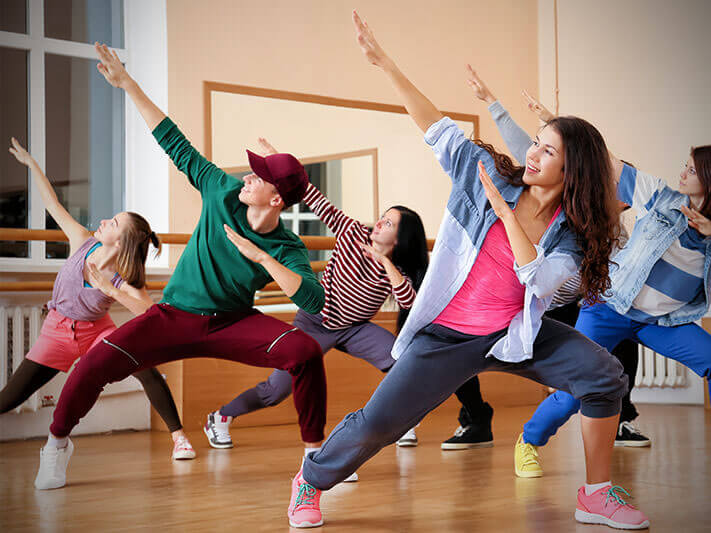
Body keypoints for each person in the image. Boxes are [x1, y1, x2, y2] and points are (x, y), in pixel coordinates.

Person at [285, 12, 649, 530]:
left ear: (573, 171)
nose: (533, 152)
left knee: (604, 377)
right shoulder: (485, 177)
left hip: (515, 333)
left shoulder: (573, 230)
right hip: (447, 336)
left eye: (548, 150)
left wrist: (507, 218)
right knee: (382, 423)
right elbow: (434, 124)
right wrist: (384, 62)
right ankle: (311, 479)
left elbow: (543, 282)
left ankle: (595, 494)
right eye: (537, 142)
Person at [32, 43, 327, 491]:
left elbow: (312, 297)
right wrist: (127, 84)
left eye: (258, 176)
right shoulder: (220, 191)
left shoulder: (285, 245)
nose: (246, 176)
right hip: (174, 317)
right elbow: (175, 142)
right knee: (94, 364)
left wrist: (261, 257)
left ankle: (318, 461)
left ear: (276, 200)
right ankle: (56, 443)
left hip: (232, 323)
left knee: (304, 352)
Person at [441, 71, 646, 458]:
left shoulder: (632, 225)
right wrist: (497, 105)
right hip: (556, 302)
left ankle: (622, 416)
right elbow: (537, 153)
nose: (613, 189)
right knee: (576, 384)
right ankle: (530, 437)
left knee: (615, 363)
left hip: (591, 300)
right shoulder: (576, 216)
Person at [204, 138, 429, 471]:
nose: (378, 222)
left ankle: (402, 419)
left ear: (400, 240)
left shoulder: (395, 268)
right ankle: (220, 416)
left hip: (355, 329)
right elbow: (315, 199)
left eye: (388, 223)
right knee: (275, 389)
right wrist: (278, 163)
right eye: (382, 217)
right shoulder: (353, 231)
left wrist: (384, 263)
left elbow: (409, 300)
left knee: (401, 360)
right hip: (315, 322)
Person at [516, 94, 711, 474]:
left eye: (692, 168)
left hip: (662, 322)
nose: (682, 172)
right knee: (577, 388)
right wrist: (555, 123)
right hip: (608, 308)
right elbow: (605, 162)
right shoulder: (662, 198)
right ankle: (528, 441)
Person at [3, 138, 195, 461]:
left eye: (114, 223)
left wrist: (110, 290)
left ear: (120, 243)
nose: (104, 221)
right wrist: (33, 166)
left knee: (145, 366)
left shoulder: (124, 275)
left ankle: (179, 438)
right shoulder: (81, 241)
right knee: (10, 397)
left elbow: (150, 312)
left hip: (97, 331)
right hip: (57, 331)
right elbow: (52, 204)